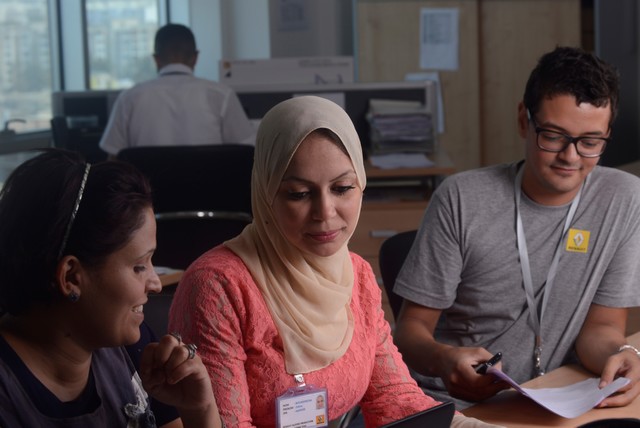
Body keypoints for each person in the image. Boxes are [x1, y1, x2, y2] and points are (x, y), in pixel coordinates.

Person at [168, 95, 499, 427]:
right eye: (299, 194)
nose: (325, 213)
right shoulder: (217, 287)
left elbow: (395, 399)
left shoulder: (356, 275)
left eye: (342, 188)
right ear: (266, 193)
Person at [392, 46, 640, 410]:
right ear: (525, 120)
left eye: (590, 142)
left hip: (555, 396)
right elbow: (409, 333)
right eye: (554, 136)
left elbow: (600, 329)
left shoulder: (623, 199)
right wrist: (444, 359)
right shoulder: (462, 198)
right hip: (458, 404)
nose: (570, 157)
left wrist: (622, 356)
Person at [0, 149, 221, 427]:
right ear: (70, 277)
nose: (154, 283)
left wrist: (200, 411)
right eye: (140, 266)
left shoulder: (135, 349)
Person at [99, 23, 255, 157]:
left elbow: (114, 159)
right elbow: (246, 152)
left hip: (147, 191)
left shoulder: (129, 98)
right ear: (195, 58)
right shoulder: (221, 95)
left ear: (156, 59)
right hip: (208, 191)